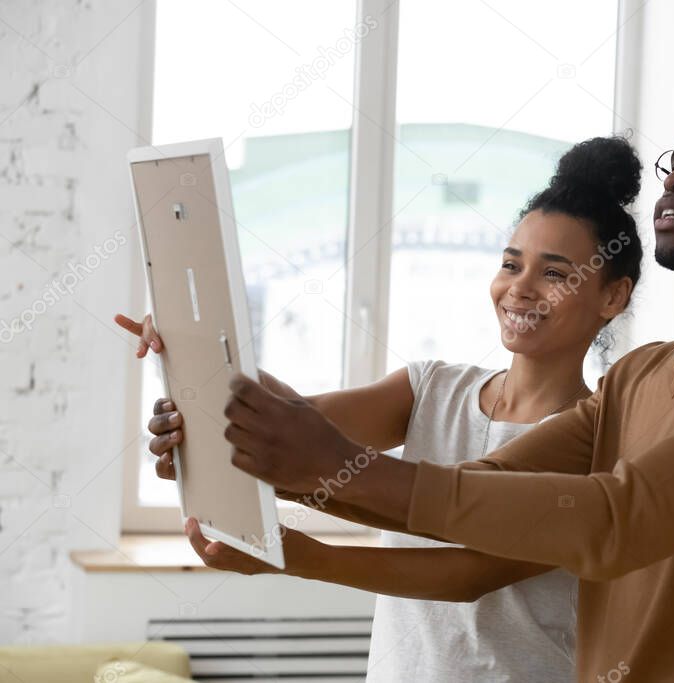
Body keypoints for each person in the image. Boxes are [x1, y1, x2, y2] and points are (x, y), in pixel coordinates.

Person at [211, 98, 674, 682]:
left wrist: (322, 468)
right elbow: (475, 491)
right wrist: (275, 463)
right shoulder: (638, 375)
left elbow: (617, 518)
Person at [115, 136, 645, 682]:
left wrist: (296, 557)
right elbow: (292, 419)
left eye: (554, 274)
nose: (520, 288)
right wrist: (188, 344)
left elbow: (468, 574)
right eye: (512, 264)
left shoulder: (595, 441)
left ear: (612, 296)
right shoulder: (432, 389)